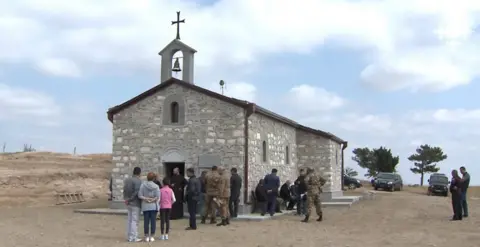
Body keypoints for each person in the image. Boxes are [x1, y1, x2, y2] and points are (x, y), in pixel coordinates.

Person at [138, 172, 160, 242]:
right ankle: (152, 236)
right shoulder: (156, 186)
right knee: (153, 221)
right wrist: (152, 199)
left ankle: (146, 236)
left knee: (146, 221)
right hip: (153, 205)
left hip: (145, 205)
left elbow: (140, 195)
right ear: (154, 178)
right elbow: (158, 197)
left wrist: (146, 199)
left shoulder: (143, 185)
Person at [123, 167, 143, 242]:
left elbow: (124, 190)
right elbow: (136, 193)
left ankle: (129, 236)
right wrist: (130, 199)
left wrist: (126, 199)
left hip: (128, 203)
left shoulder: (127, 180)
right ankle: (134, 237)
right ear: (139, 173)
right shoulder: (138, 181)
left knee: (129, 220)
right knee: (134, 220)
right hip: (135, 203)